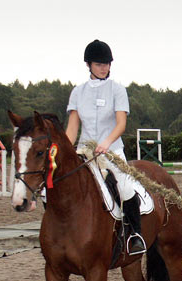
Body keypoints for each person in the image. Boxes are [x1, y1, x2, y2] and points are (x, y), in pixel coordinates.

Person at [65, 39, 146, 256]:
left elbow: (121, 123)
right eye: (99, 64)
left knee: (125, 187)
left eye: (107, 64)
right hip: (84, 151)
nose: (104, 68)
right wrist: (64, 149)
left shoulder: (117, 90)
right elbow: (73, 126)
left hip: (110, 150)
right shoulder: (77, 92)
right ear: (89, 65)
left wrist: (106, 143)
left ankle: (134, 235)